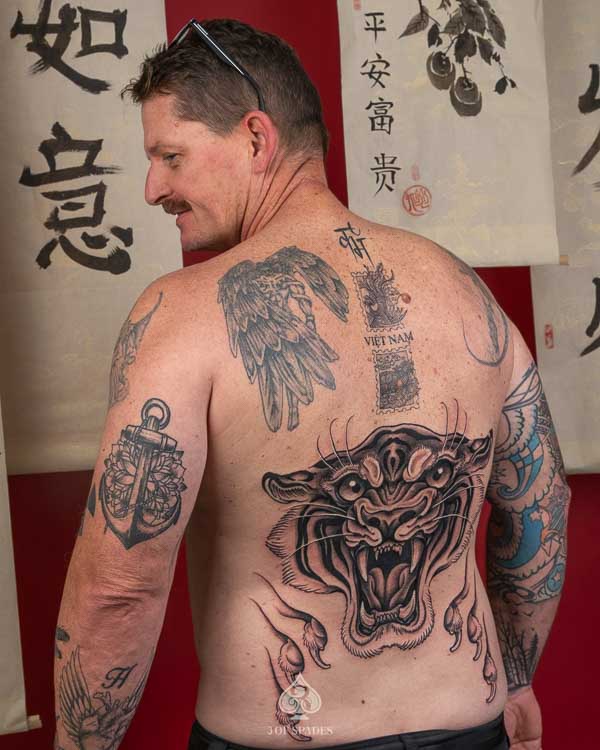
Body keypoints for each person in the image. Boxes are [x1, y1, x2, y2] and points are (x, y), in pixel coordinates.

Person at [53, 17, 570, 750]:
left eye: (171, 156)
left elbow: (119, 587)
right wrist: (514, 678)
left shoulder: (181, 315)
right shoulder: (464, 292)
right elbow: (541, 503)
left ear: (255, 139)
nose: (153, 188)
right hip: (469, 726)